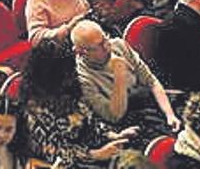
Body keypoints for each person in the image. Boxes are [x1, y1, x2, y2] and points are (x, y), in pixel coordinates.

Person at [22, 39, 131, 167]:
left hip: (90, 147)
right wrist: (96, 154)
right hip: (68, 162)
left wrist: (113, 135)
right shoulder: (34, 108)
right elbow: (54, 151)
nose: (72, 75)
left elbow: (90, 120)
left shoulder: (68, 89)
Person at [72, 19, 180, 138]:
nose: (107, 46)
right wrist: (119, 76)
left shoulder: (119, 45)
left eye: (105, 38)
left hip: (147, 100)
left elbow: (151, 82)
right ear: (81, 52)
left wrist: (169, 114)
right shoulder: (82, 78)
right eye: (99, 46)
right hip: (127, 120)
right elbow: (115, 116)